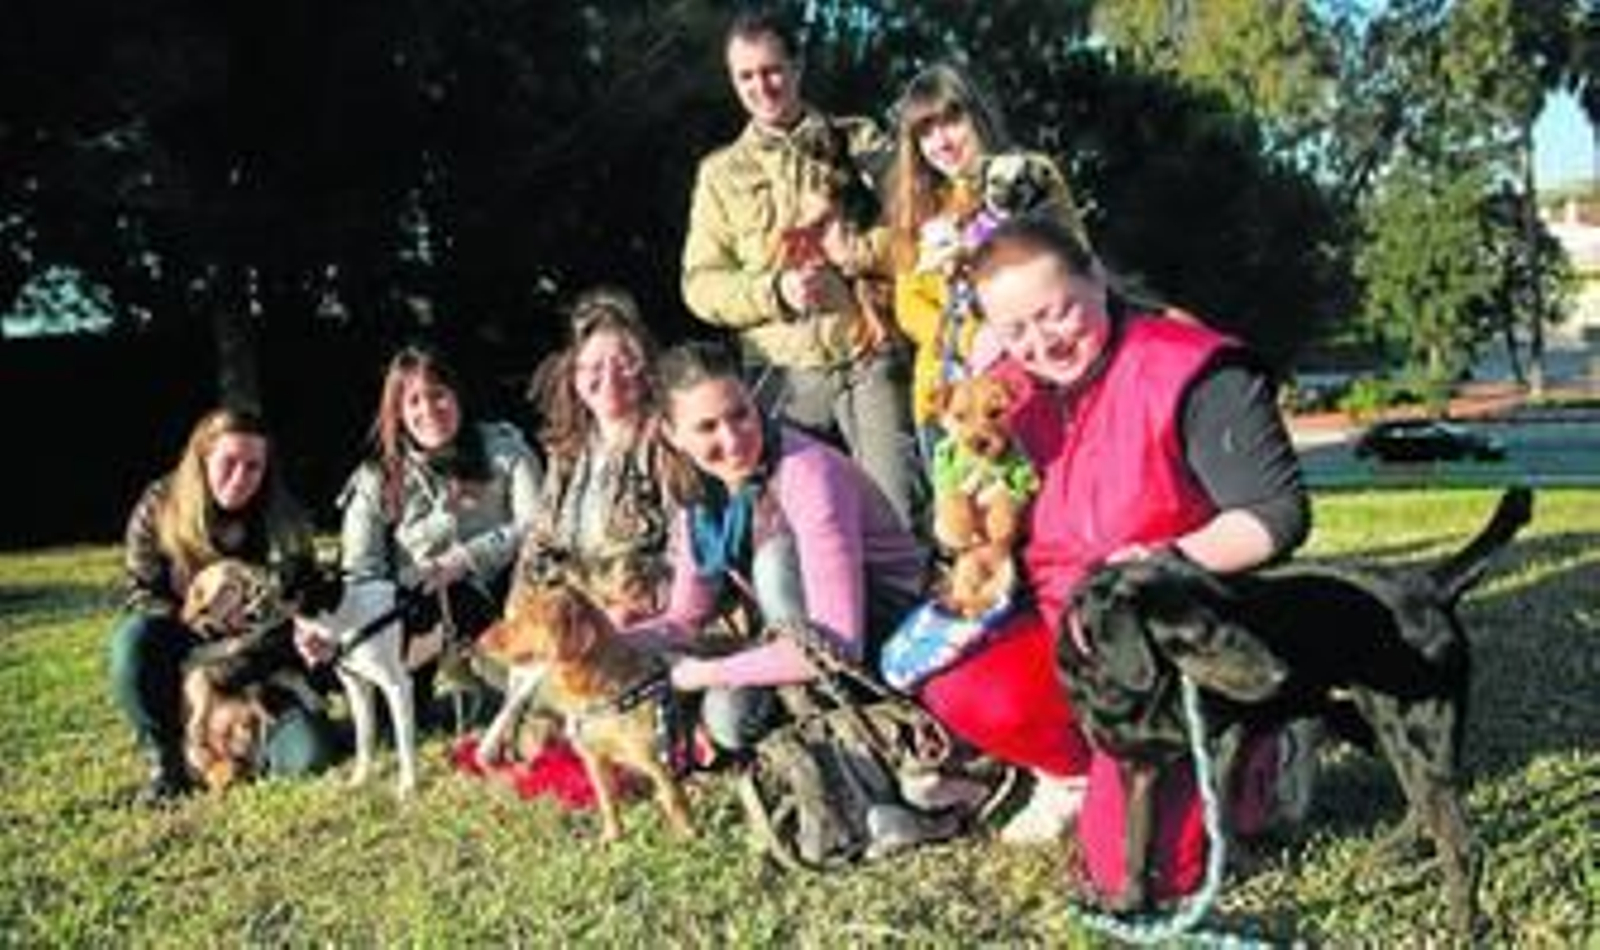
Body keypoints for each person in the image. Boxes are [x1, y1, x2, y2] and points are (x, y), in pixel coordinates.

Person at [918, 215, 1312, 887]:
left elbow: (1278, 515)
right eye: (1016, 330)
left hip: (1176, 636)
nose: (1043, 342)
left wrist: (1161, 560)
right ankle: (1079, 771)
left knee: (1143, 873)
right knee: (960, 683)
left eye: (1057, 312)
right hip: (1073, 631)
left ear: (1096, 277)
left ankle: (1270, 748)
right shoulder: (1006, 392)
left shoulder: (1191, 367)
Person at [680, 8, 918, 525]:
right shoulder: (720, 174)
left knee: (895, 523)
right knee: (795, 532)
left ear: (797, 67)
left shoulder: (861, 142)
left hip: (869, 357)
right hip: (781, 376)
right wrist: (777, 291)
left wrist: (853, 252)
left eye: (771, 70)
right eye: (746, 76)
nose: (761, 86)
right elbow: (699, 286)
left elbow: (918, 239)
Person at [633, 341, 926, 753]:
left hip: (883, 629)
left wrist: (703, 674)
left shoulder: (808, 473)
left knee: (775, 561)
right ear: (672, 434)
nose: (732, 440)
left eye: (740, 414)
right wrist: (611, 639)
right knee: (727, 722)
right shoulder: (697, 493)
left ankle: (838, 719)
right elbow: (685, 617)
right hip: (790, 632)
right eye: (707, 427)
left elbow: (839, 644)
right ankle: (800, 710)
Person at [107, 406, 339, 803]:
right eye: (228, 462)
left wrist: (294, 628)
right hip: (186, 650)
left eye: (254, 466)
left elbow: (306, 598)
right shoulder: (159, 504)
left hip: (262, 661)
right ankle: (166, 763)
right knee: (133, 638)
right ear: (202, 458)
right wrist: (200, 621)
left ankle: (241, 744)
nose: (241, 477)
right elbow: (140, 593)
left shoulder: (284, 516)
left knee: (308, 759)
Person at [885, 62, 1089, 445]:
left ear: (976, 115)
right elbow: (908, 305)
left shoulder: (1028, 174)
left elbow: (1073, 262)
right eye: (925, 131)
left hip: (1033, 382)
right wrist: (968, 337)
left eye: (951, 121)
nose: (941, 142)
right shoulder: (916, 205)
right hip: (949, 402)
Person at [339, 343, 541, 718]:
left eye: (438, 395)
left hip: (503, 595)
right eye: (413, 401)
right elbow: (360, 570)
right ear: (398, 412)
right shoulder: (375, 479)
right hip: (417, 611)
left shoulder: (506, 450)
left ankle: (510, 687)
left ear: (457, 395)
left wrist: (467, 558)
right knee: (396, 718)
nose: (429, 410)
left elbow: (538, 525)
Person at [512, 285, 675, 625]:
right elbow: (538, 546)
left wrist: (636, 608)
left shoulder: (668, 443)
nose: (610, 378)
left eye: (624, 363)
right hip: (568, 621)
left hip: (641, 624)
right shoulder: (567, 451)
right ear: (574, 374)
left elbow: (686, 555)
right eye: (594, 367)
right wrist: (519, 614)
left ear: (647, 368)